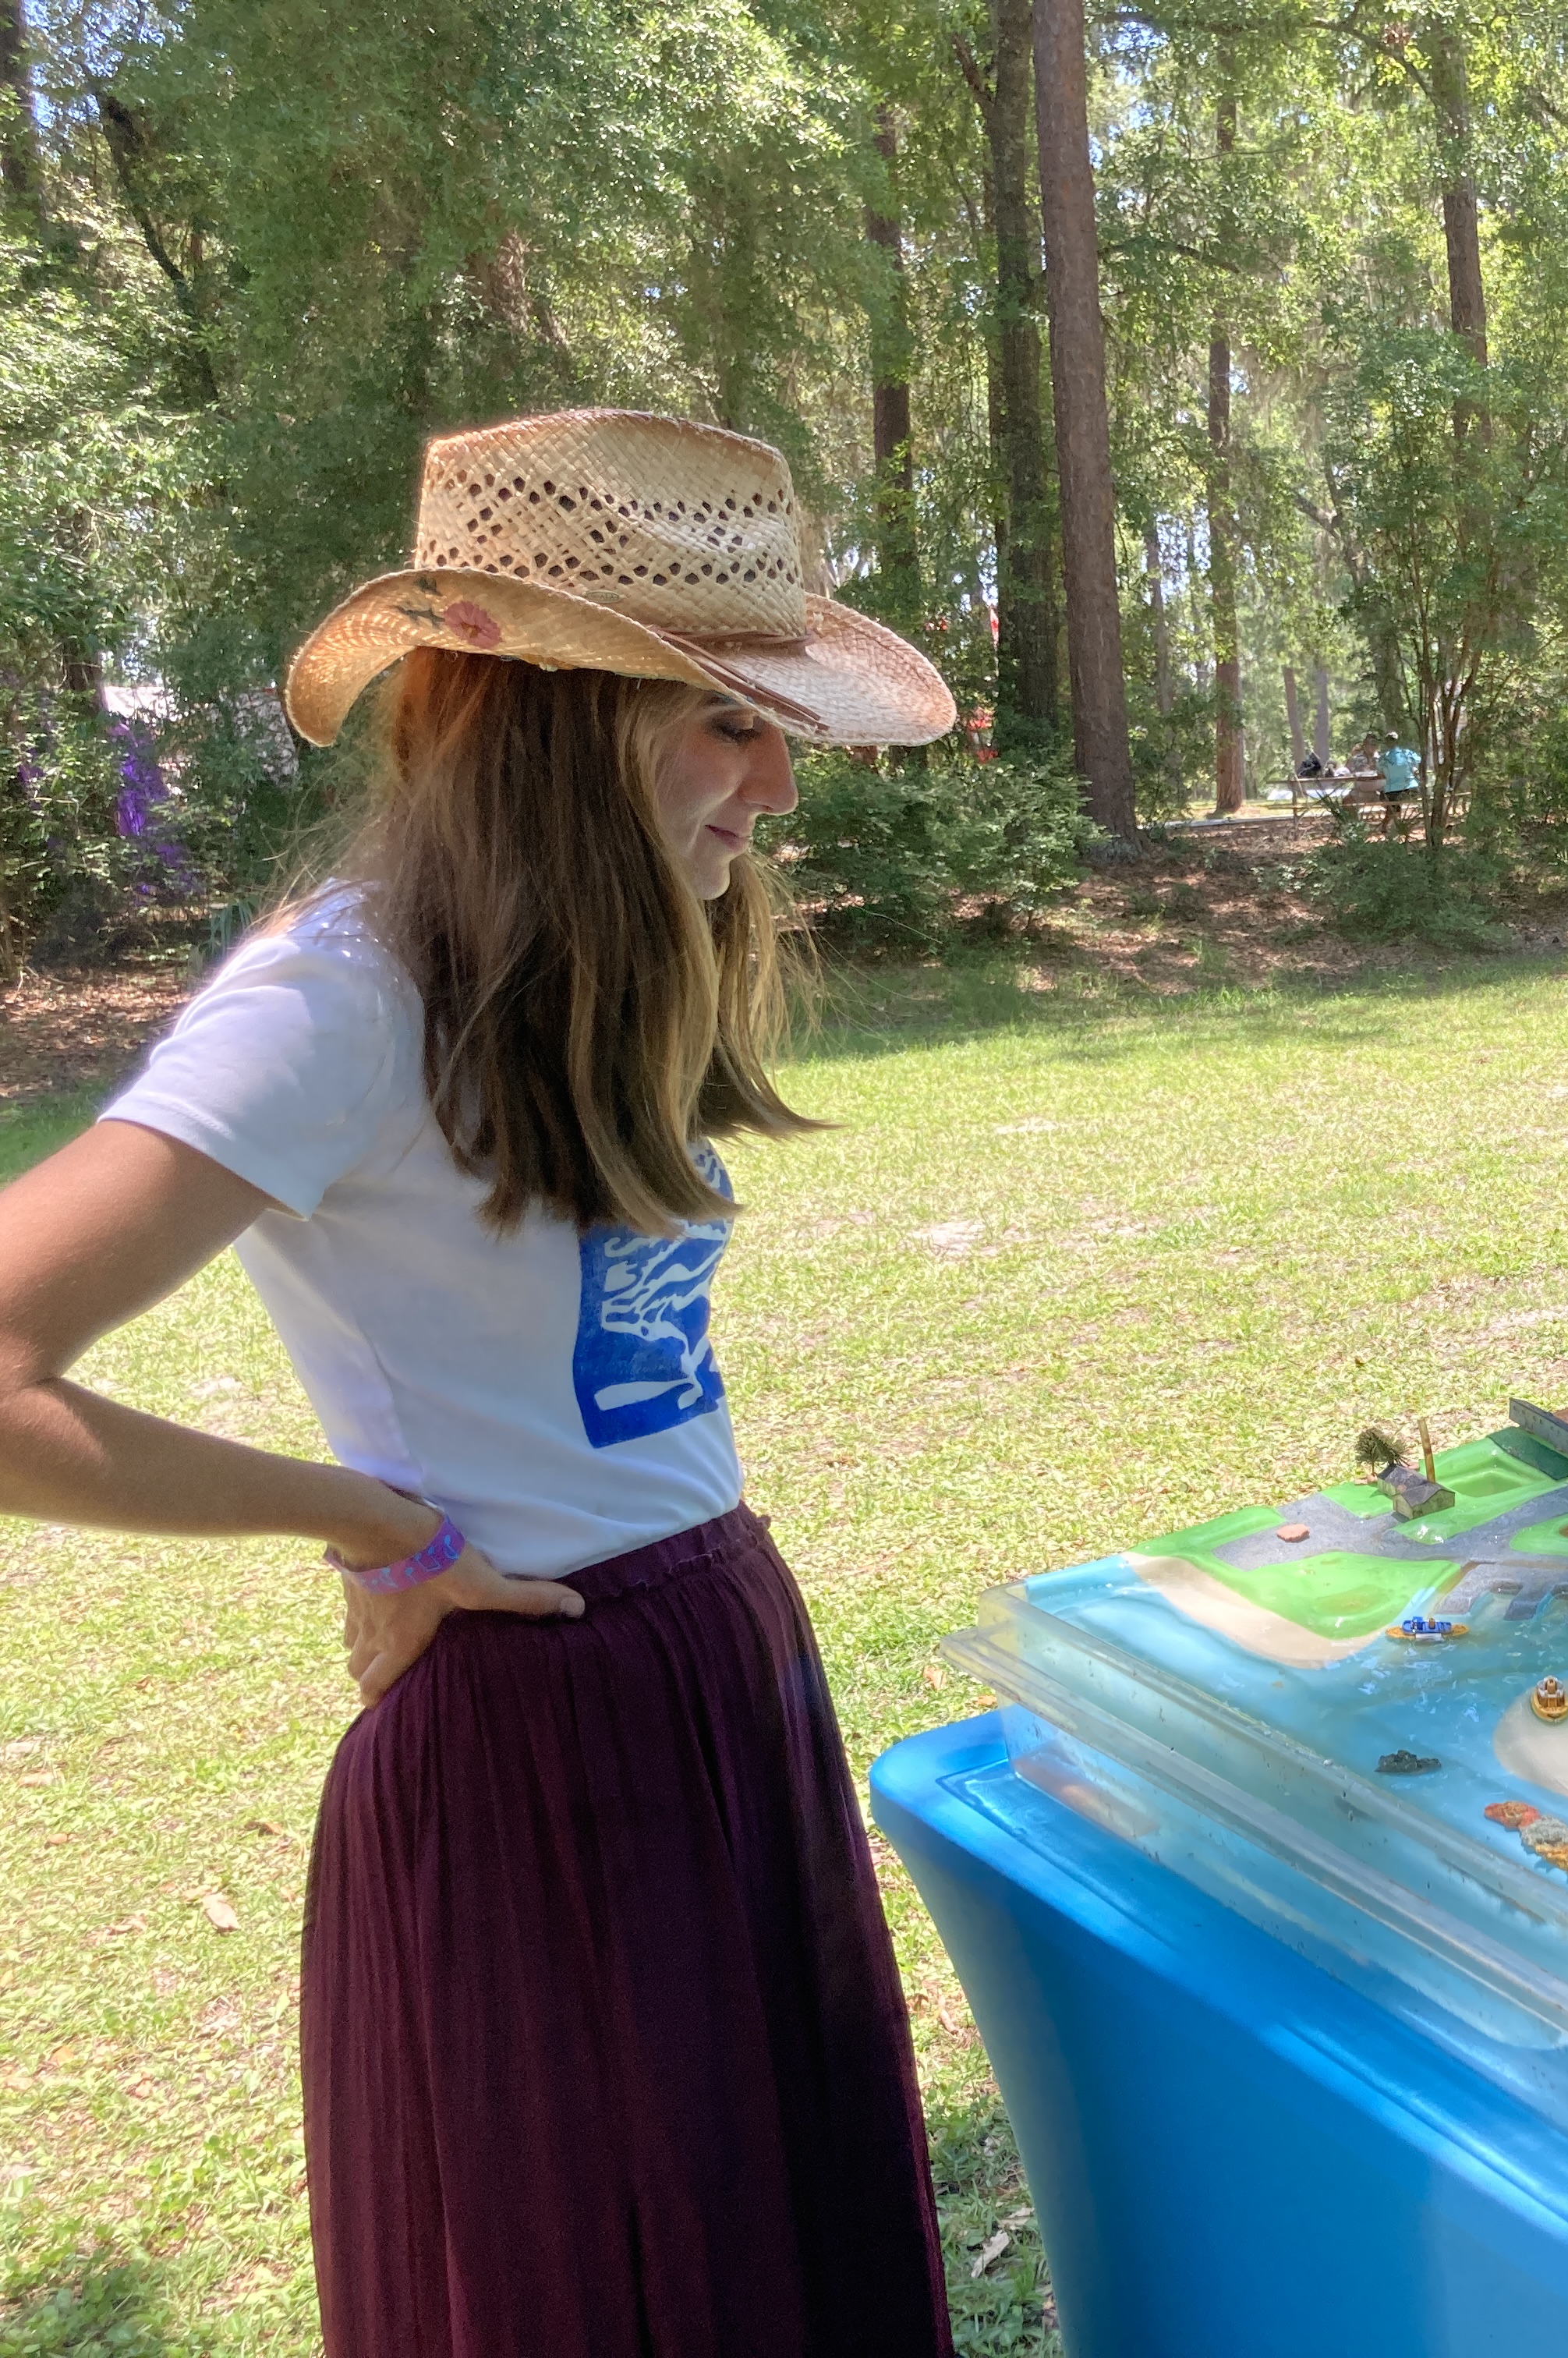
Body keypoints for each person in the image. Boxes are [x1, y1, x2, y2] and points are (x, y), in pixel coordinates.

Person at [0, 410, 961, 2356]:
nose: (777, 780)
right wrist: (370, 1522)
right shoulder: (336, 993)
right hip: (541, 1739)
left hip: (714, 1662)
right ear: (543, 719)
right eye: (720, 722)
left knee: (770, 2260)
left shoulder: (576, 967)